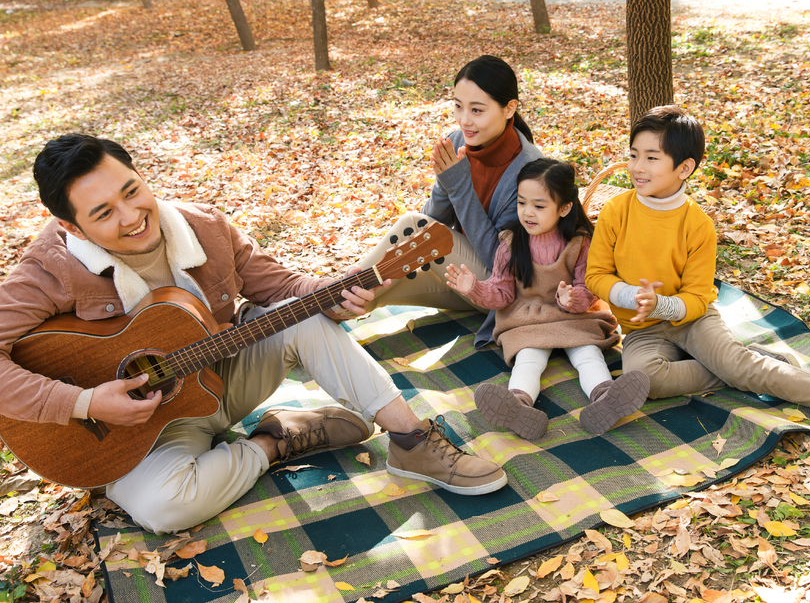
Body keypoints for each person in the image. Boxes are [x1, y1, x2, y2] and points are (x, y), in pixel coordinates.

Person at [0, 134, 507, 535]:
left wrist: (332, 293)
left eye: (131, 191)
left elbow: (284, 287)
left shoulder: (204, 227)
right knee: (163, 509)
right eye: (104, 213)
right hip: (131, 434)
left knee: (300, 313)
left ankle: (410, 438)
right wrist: (86, 402)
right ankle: (275, 441)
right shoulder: (50, 271)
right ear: (73, 228)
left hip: (222, 379)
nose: (132, 217)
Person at [585, 105, 810, 451]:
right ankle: (744, 365)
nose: (636, 167)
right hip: (641, 328)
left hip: (691, 320)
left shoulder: (697, 225)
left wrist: (661, 303)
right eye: (633, 155)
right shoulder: (617, 210)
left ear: (685, 168)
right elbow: (596, 275)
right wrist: (627, 296)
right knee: (643, 380)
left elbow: (697, 297)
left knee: (735, 363)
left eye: (651, 158)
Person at [444, 159, 649, 439]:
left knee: (587, 354)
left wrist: (572, 299)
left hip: (574, 316)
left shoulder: (580, 243)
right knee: (529, 358)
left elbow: (589, 290)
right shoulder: (511, 244)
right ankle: (517, 405)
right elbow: (502, 295)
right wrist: (475, 289)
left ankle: (605, 398)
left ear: (564, 208)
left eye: (539, 206)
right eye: (522, 203)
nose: (528, 213)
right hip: (527, 319)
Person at [355, 55, 544, 348]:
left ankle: (333, 294)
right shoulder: (458, 142)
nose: (464, 120)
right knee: (378, 288)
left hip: (503, 291)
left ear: (510, 109)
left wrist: (457, 185)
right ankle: (330, 306)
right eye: (458, 106)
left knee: (409, 224)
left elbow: (500, 261)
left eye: (477, 110)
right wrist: (446, 184)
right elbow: (432, 221)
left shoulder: (530, 171)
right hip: (462, 278)